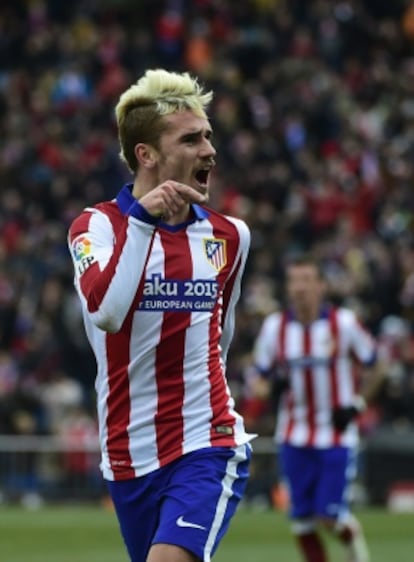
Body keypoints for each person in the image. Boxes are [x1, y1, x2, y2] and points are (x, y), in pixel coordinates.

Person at [67, 68, 255, 562]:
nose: (209, 150)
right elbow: (107, 313)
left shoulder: (230, 236)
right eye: (191, 139)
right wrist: (142, 223)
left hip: (206, 440)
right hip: (129, 452)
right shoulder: (95, 228)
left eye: (207, 136)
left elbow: (219, 337)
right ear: (146, 154)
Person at [251, 254, 384, 562]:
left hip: (334, 435)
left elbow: (378, 365)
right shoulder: (275, 328)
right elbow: (258, 376)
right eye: (294, 281)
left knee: (328, 517)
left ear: (322, 286)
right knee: (302, 523)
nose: (300, 288)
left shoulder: (343, 324)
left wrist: (357, 404)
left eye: (307, 280)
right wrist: (269, 389)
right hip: (293, 435)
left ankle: (354, 545)